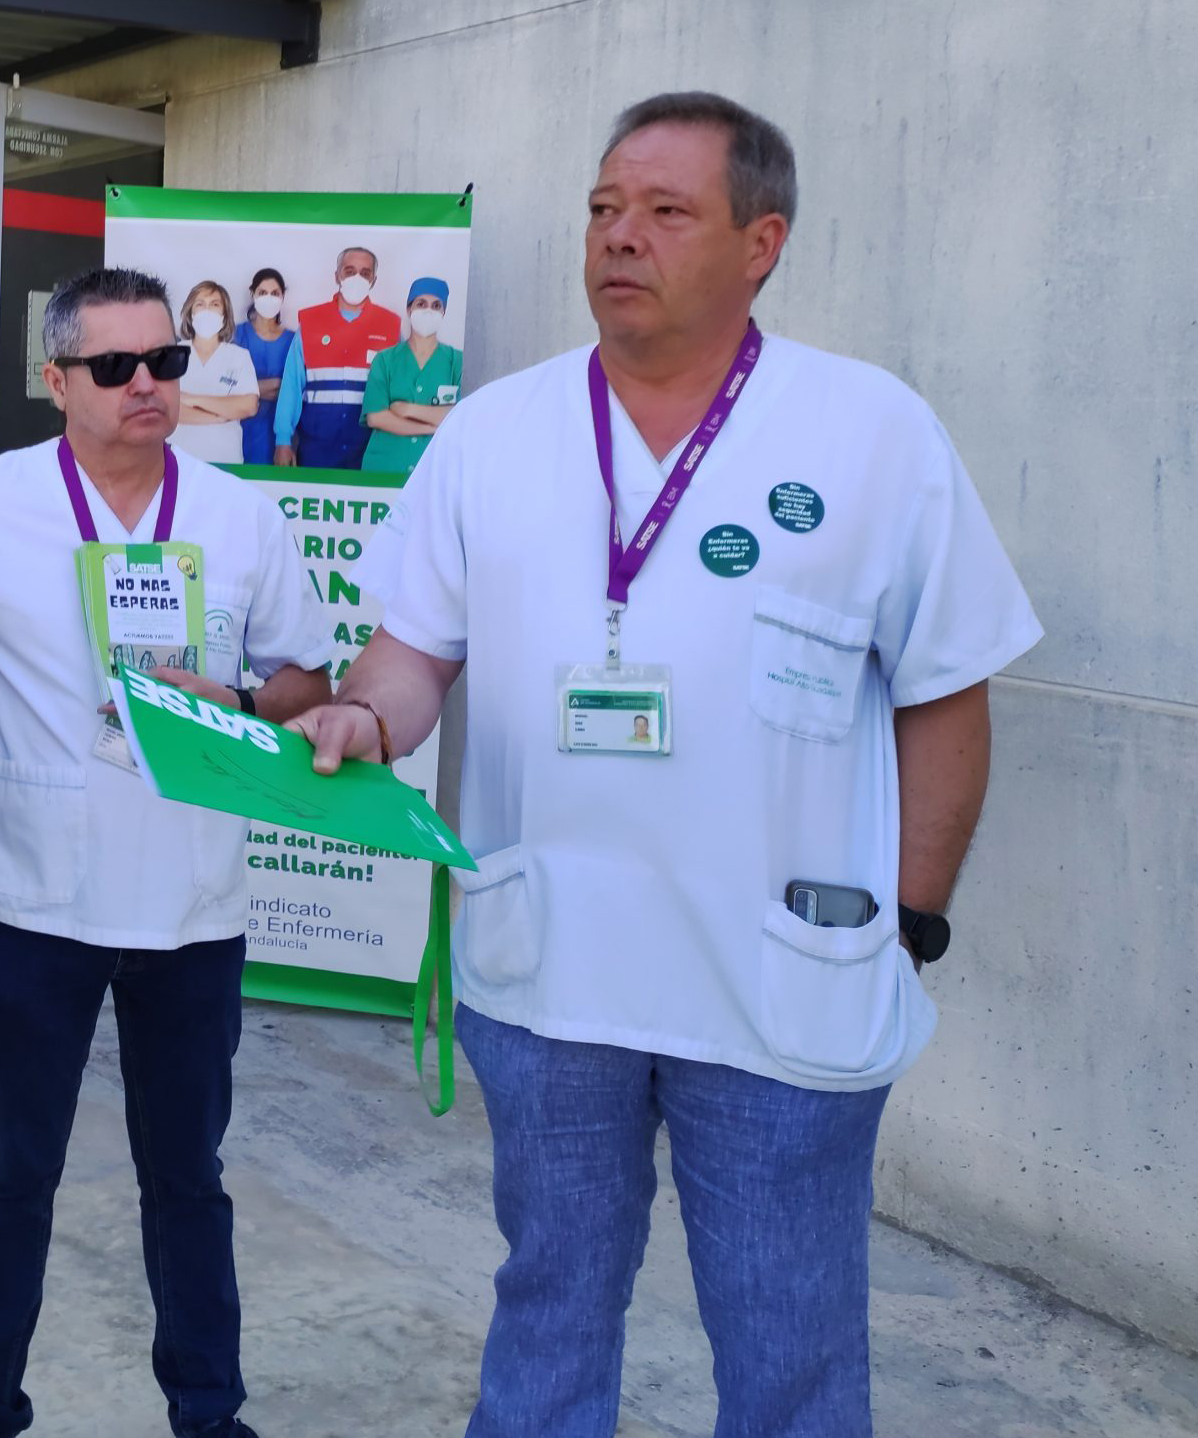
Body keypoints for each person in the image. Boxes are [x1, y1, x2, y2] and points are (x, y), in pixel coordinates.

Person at [292, 94, 1041, 1438]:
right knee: (549, 1308)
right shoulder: (494, 435)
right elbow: (412, 654)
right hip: (548, 976)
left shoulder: (871, 435)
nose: (618, 236)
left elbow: (946, 692)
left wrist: (909, 924)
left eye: (663, 211)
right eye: (600, 207)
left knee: (790, 1339)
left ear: (762, 241)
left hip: (775, 983)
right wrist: (365, 716)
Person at [0, 267, 334, 1438]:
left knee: (187, 1180)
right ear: (56, 381)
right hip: (33, 900)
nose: (149, 384)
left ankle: (207, 1412)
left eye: (166, 362)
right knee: (7, 1178)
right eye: (116, 367)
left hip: (193, 902)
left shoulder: (239, 512)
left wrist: (241, 691)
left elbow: (307, 674)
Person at [271, 245, 399, 469]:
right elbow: (292, 385)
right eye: (350, 271)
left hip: (370, 449)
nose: (357, 277)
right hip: (315, 449)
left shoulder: (390, 327)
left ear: (374, 280)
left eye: (365, 273)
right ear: (337, 275)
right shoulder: (310, 323)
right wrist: (283, 440)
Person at [360, 276, 465, 474]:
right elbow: (376, 418)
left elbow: (462, 417)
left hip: (436, 469)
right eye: (421, 304)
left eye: (436, 306)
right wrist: (433, 428)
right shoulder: (385, 360)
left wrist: (406, 409)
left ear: (443, 312)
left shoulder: (457, 362)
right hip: (385, 465)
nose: (428, 310)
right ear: (409, 309)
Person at [169, 279, 261, 464]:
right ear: (191, 312)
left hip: (226, 460)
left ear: (225, 314)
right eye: (200, 304)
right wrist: (220, 416)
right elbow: (169, 411)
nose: (207, 310)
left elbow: (249, 406)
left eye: (215, 304)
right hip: (180, 460)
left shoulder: (239, 356)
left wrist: (191, 399)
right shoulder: (172, 354)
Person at [231, 269, 296, 464]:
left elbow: (297, 390)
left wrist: (253, 388)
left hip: (279, 436)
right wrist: (266, 386)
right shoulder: (236, 334)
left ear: (283, 296)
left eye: (275, 293)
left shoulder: (293, 341)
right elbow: (223, 385)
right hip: (238, 428)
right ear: (253, 294)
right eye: (262, 292)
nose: (269, 298)